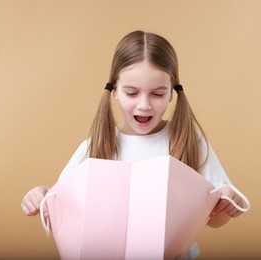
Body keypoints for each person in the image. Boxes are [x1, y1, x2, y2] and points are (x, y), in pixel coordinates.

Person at [21, 30, 246, 259]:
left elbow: (215, 220)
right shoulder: (96, 145)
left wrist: (227, 205)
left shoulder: (189, 142)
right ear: (115, 91)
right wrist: (41, 196)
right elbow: (61, 210)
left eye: (157, 94)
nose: (144, 105)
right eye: (132, 93)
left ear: (171, 93)